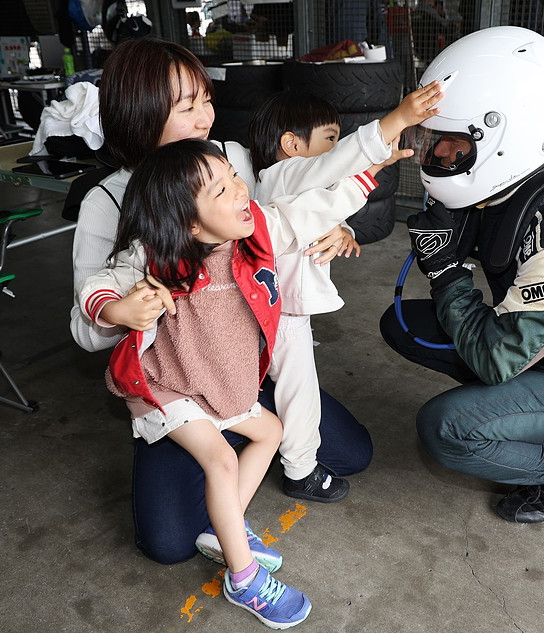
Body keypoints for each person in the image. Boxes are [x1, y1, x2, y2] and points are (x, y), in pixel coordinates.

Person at [71, 36, 433, 564]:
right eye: (186, 107)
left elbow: (293, 199)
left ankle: (245, 431)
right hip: (182, 380)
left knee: (350, 454)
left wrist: (340, 225)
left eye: (207, 100)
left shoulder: (230, 158)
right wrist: (124, 308)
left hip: (247, 362)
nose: (205, 119)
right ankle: (215, 442)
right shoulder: (108, 202)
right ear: (138, 113)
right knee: (168, 542)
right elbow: (86, 330)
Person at [78, 138, 398, 627]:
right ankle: (244, 578)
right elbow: (98, 285)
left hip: (222, 381)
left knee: (271, 432)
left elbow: (312, 209)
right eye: (222, 190)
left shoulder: (255, 234)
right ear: (188, 222)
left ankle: (222, 527)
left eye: (233, 176)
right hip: (168, 386)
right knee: (222, 460)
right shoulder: (154, 257)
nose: (241, 190)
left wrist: (370, 169)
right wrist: (119, 310)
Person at [380, 26, 544, 524]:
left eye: (453, 144)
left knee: (444, 428)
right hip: (533, 343)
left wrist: (446, 271)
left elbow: (495, 358)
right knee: (403, 325)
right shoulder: (512, 191)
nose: (438, 157)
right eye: (435, 142)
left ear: (508, 139)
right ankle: (506, 413)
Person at [245, 86, 438, 502]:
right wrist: (397, 120)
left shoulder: (285, 180)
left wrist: (345, 229)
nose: (337, 148)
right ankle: (300, 472)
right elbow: (333, 171)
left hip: (279, 315)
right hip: (282, 319)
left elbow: (325, 203)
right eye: (330, 138)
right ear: (291, 145)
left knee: (295, 391)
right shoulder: (283, 173)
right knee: (299, 396)